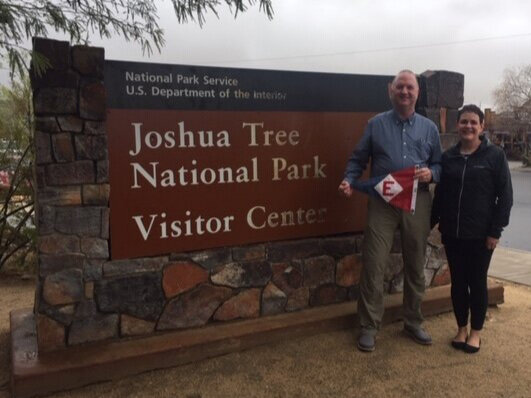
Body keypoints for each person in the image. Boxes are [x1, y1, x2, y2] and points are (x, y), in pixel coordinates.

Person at [338, 70, 442, 352]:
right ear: (390, 90)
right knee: (374, 263)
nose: (405, 92)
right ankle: (369, 326)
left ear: (417, 92)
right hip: (383, 204)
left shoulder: (430, 129)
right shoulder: (375, 125)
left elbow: (441, 165)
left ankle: (413, 321)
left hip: (416, 203)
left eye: (410, 87)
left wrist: (431, 175)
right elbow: (358, 159)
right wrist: (349, 179)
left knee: (415, 264)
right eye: (400, 87)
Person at [431, 105, 513, 353]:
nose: (468, 126)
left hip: (481, 236)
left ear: (481, 126)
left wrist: (495, 231)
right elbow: (441, 196)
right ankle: (461, 329)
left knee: (476, 283)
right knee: (458, 283)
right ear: (458, 125)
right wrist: (430, 222)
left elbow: (505, 197)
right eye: (464, 122)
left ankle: (476, 332)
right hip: (453, 234)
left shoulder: (494, 156)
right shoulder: (449, 157)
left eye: (473, 122)